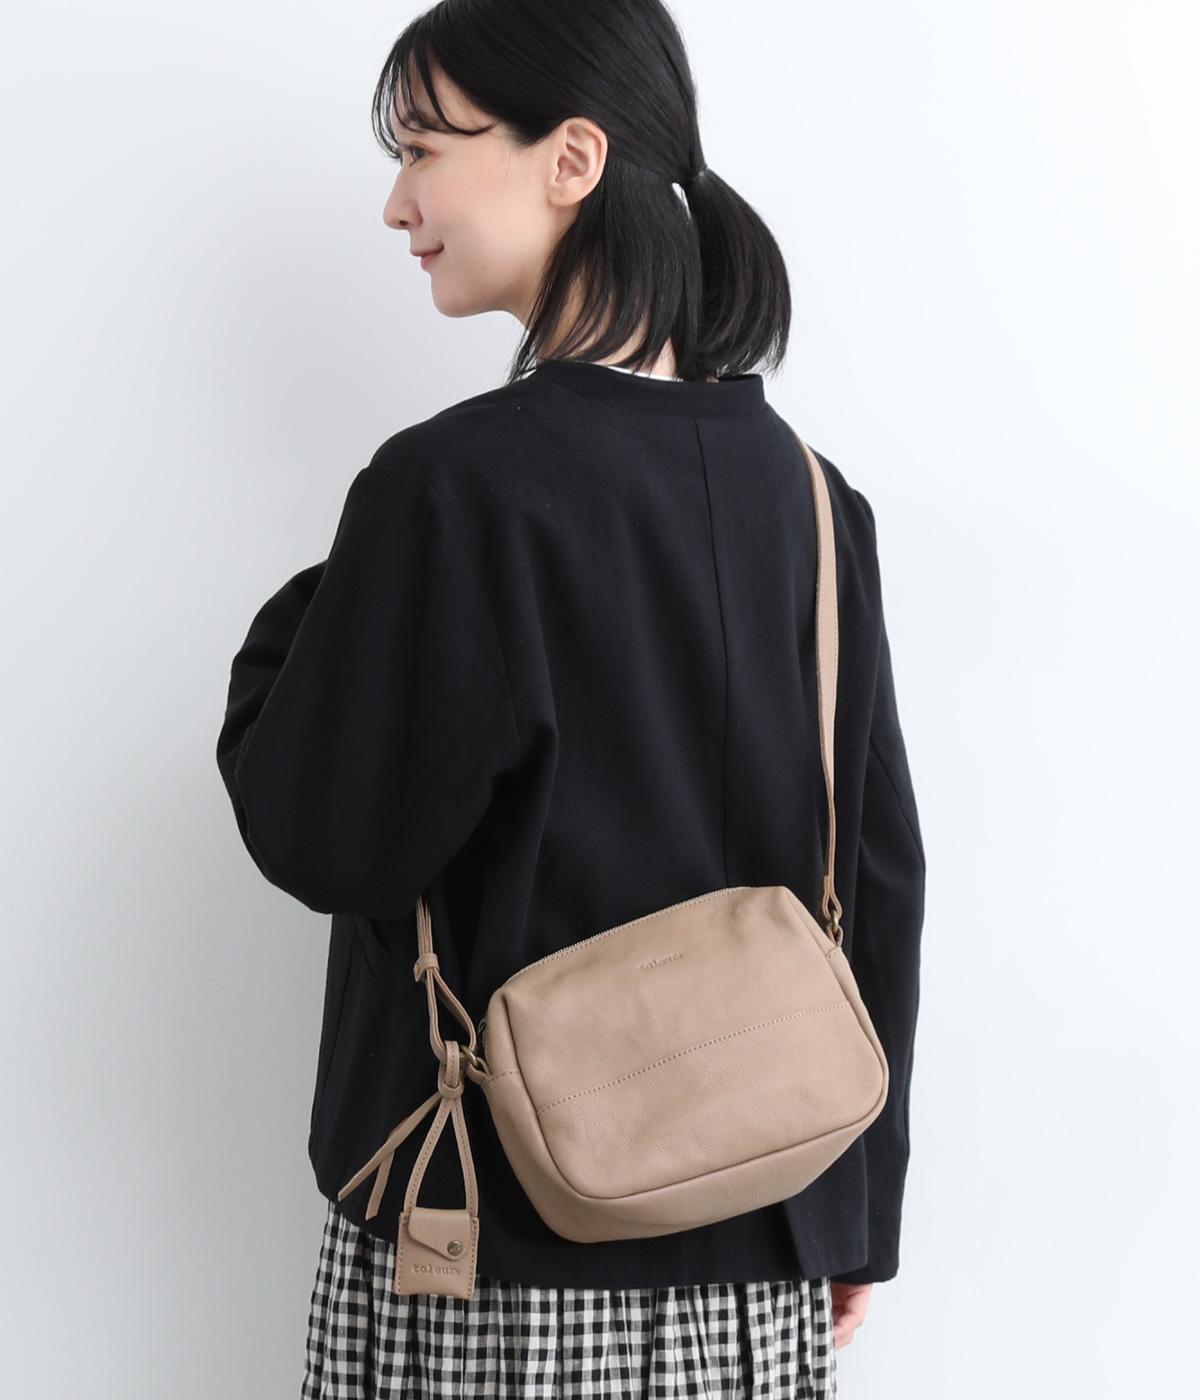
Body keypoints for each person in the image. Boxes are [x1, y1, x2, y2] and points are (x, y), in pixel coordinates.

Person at [215, 2, 926, 1394]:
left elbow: (319, 835)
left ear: (572, 158)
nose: (398, 204)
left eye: (424, 149)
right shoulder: (815, 501)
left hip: (494, 1263)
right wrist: (859, 1220)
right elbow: (878, 880)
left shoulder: (453, 492)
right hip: (764, 1256)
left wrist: (315, 614)